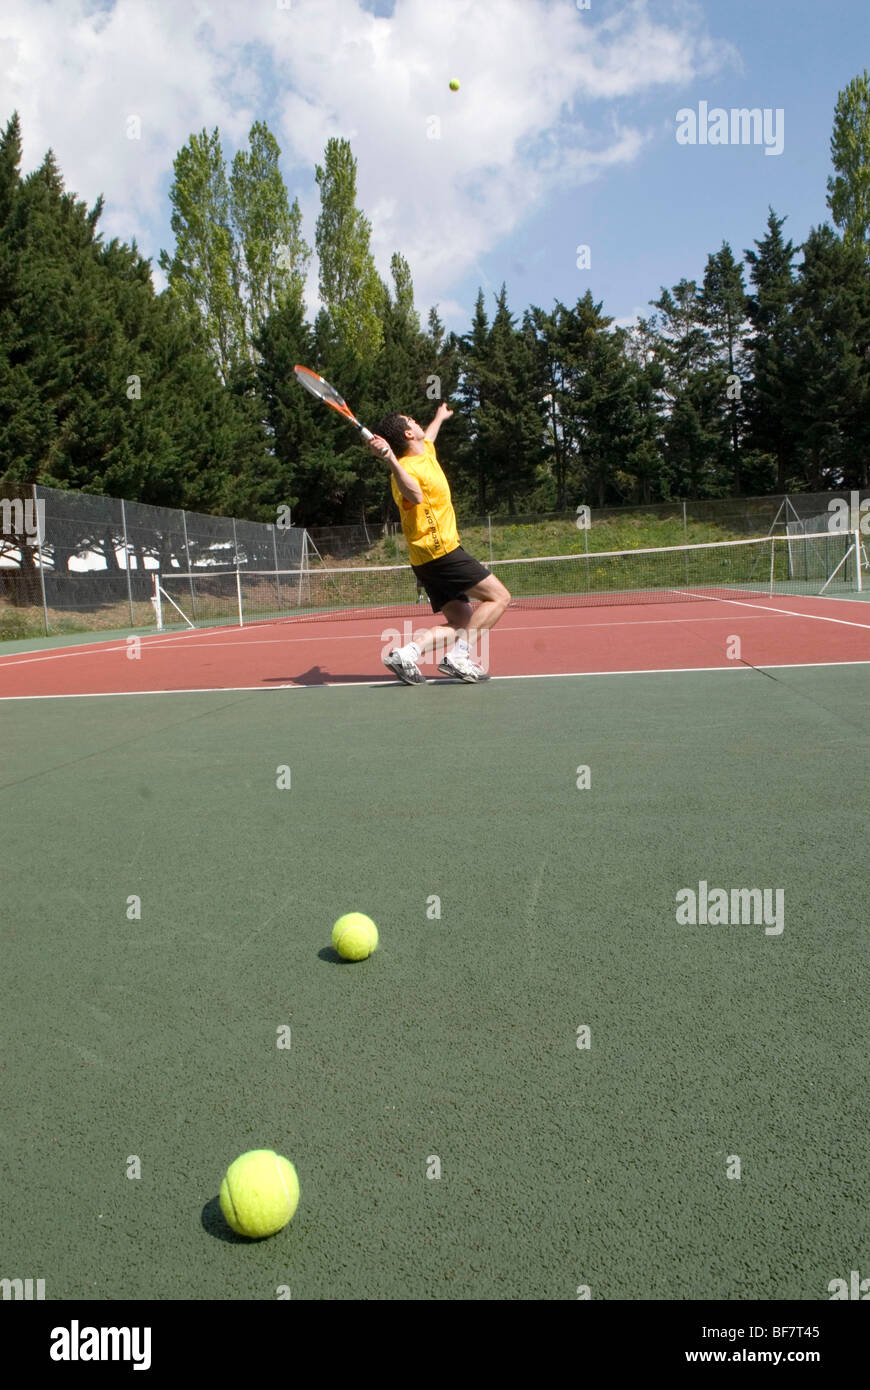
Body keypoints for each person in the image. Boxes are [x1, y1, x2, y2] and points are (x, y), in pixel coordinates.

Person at [367, 404, 510, 683]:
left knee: (462, 621)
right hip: (440, 551)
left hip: (428, 558)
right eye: (412, 420)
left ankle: (407, 654)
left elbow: (429, 436)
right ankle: (459, 657)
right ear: (409, 433)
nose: (417, 422)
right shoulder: (404, 471)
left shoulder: (426, 452)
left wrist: (439, 418)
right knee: (499, 597)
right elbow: (415, 496)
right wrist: (391, 461)